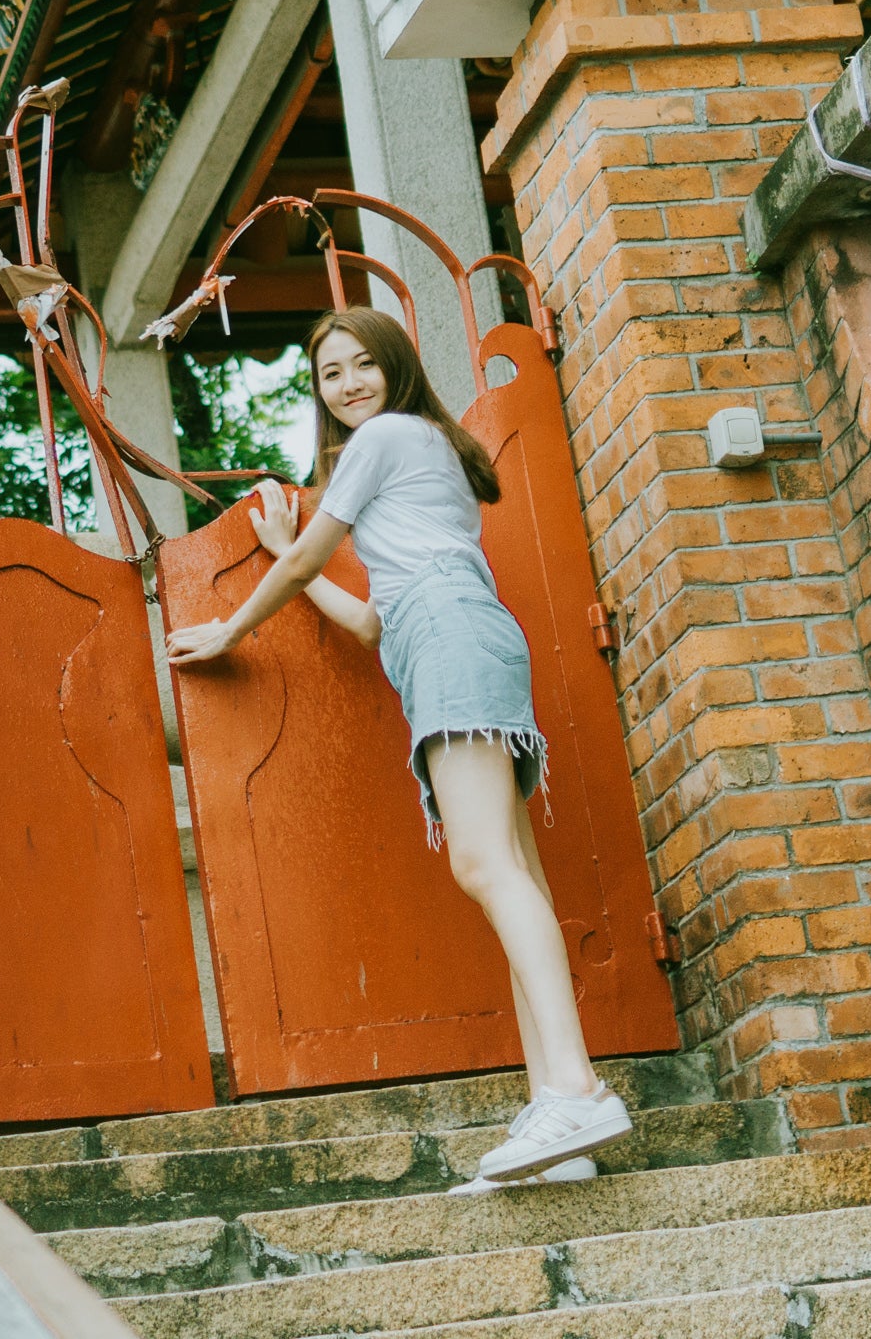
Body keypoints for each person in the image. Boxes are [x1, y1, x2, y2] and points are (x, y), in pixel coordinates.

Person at [165, 305, 630, 1193]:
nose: (347, 383)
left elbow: (309, 561)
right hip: (447, 636)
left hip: (452, 640)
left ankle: (576, 1088)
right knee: (511, 873)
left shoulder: (382, 436)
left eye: (360, 363)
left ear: (395, 365)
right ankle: (558, 1120)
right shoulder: (427, 449)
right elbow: (375, 618)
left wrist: (232, 624)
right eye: (329, 372)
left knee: (485, 866)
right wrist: (284, 556)